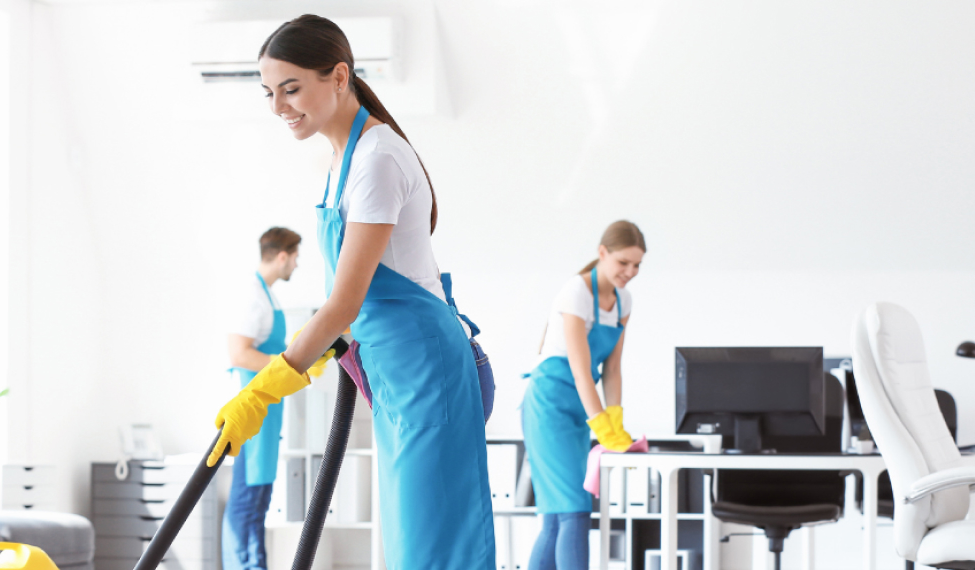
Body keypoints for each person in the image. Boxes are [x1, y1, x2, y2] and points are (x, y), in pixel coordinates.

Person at [205, 14, 495, 570]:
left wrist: (263, 391)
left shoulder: (377, 158)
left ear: (339, 76)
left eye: (291, 88)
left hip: (426, 372)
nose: (278, 106)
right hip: (395, 373)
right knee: (411, 541)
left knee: (435, 549)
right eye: (269, 92)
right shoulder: (343, 159)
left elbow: (345, 302)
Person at [522, 220, 646, 570]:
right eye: (623, 262)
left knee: (556, 516)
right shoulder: (576, 291)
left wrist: (616, 419)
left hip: (579, 409)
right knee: (574, 509)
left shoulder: (624, 301)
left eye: (637, 265)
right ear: (602, 253)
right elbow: (579, 366)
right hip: (549, 404)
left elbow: (612, 369)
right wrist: (603, 426)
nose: (630, 272)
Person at [222, 227, 300, 570]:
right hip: (253, 415)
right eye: (295, 257)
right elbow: (238, 354)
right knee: (247, 503)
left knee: (258, 503)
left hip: (268, 415)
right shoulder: (253, 296)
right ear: (281, 256)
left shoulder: (268, 296)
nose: (296, 265)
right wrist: (285, 367)